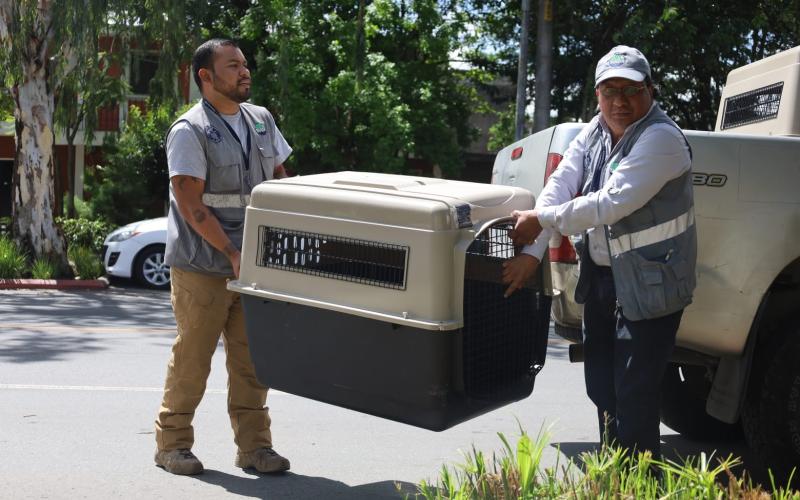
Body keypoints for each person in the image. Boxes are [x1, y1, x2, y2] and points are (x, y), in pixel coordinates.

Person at [502, 45, 696, 459]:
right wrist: (533, 253)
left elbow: (609, 204)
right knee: (602, 390)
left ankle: (639, 481)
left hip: (651, 285)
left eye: (631, 90)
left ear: (650, 90)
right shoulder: (595, 130)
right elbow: (560, 186)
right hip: (603, 280)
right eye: (610, 91)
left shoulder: (661, 138)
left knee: (634, 395)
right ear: (597, 96)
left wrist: (539, 221)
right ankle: (613, 475)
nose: (620, 101)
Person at [154, 38, 292, 475]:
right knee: (193, 360)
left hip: (254, 265)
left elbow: (280, 181)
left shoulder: (262, 120)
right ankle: (172, 445)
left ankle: (255, 448)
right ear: (206, 77)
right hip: (203, 266)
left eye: (244, 64)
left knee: (252, 363)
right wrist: (232, 251)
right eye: (233, 66)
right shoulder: (189, 130)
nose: (244, 71)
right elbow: (190, 203)